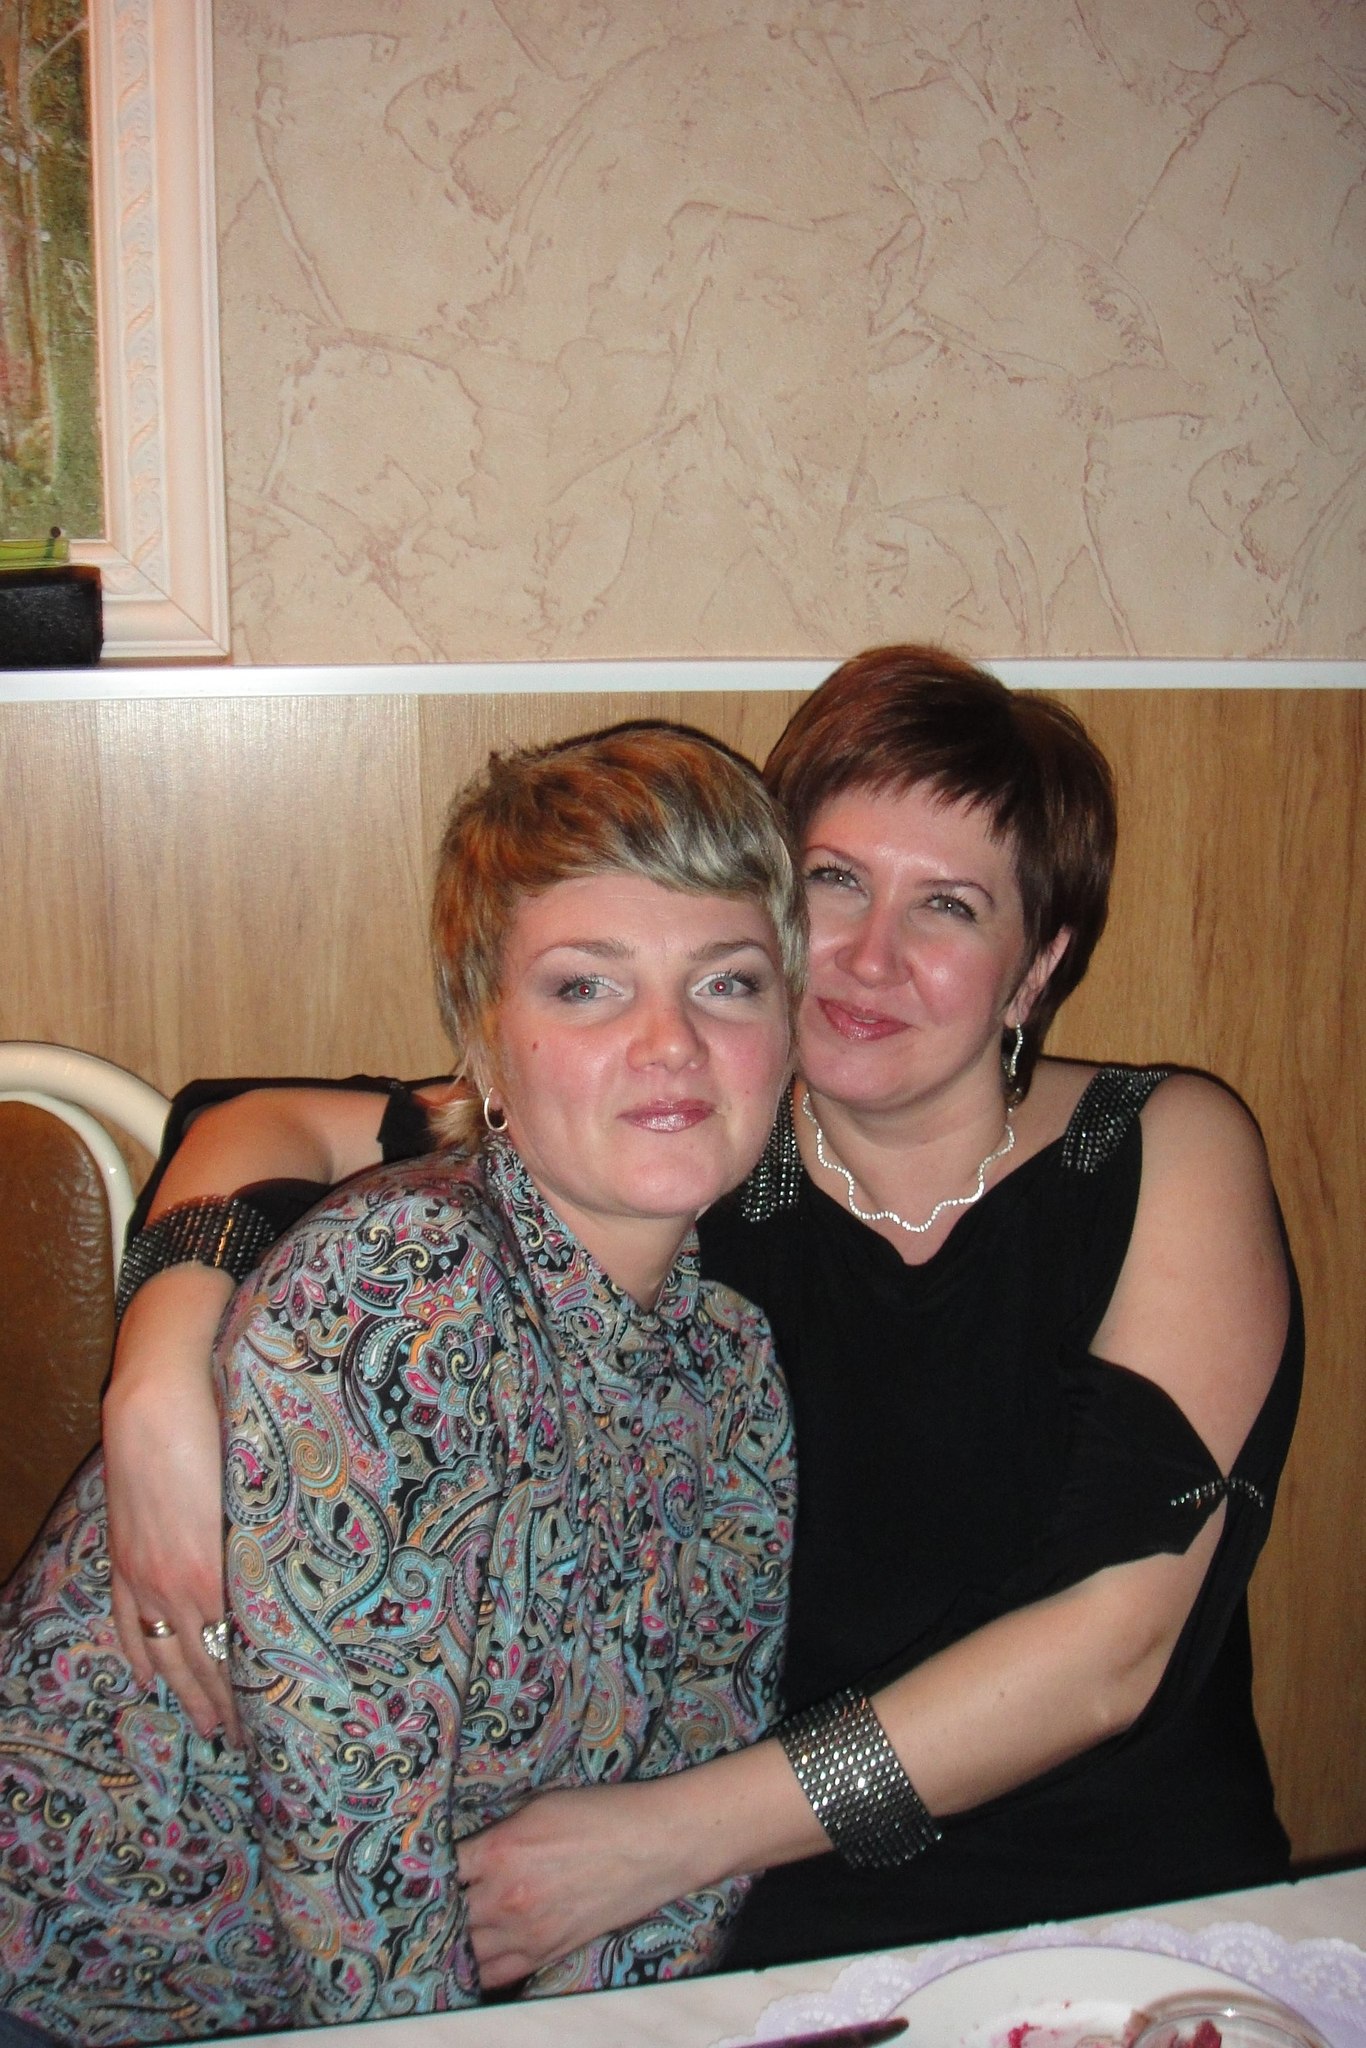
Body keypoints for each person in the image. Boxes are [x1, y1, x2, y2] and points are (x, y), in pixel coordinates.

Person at [99, 646, 1301, 1983]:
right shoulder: (689, 1149)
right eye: (834, 883)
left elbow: (1113, 1649)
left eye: (949, 907)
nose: (870, 956)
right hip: (779, 1924)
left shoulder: (1156, 1147)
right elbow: (258, 1123)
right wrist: (153, 1375)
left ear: (1034, 968)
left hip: (1120, 1894)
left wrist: (669, 1838)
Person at [0, 724, 804, 2042]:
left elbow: (687, 1811)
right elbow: (354, 1873)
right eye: (587, 989)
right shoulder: (400, 1290)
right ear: (484, 1047)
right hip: (82, 1995)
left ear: (787, 1024)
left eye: (726, 983)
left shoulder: (732, 1369)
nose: (671, 1042)